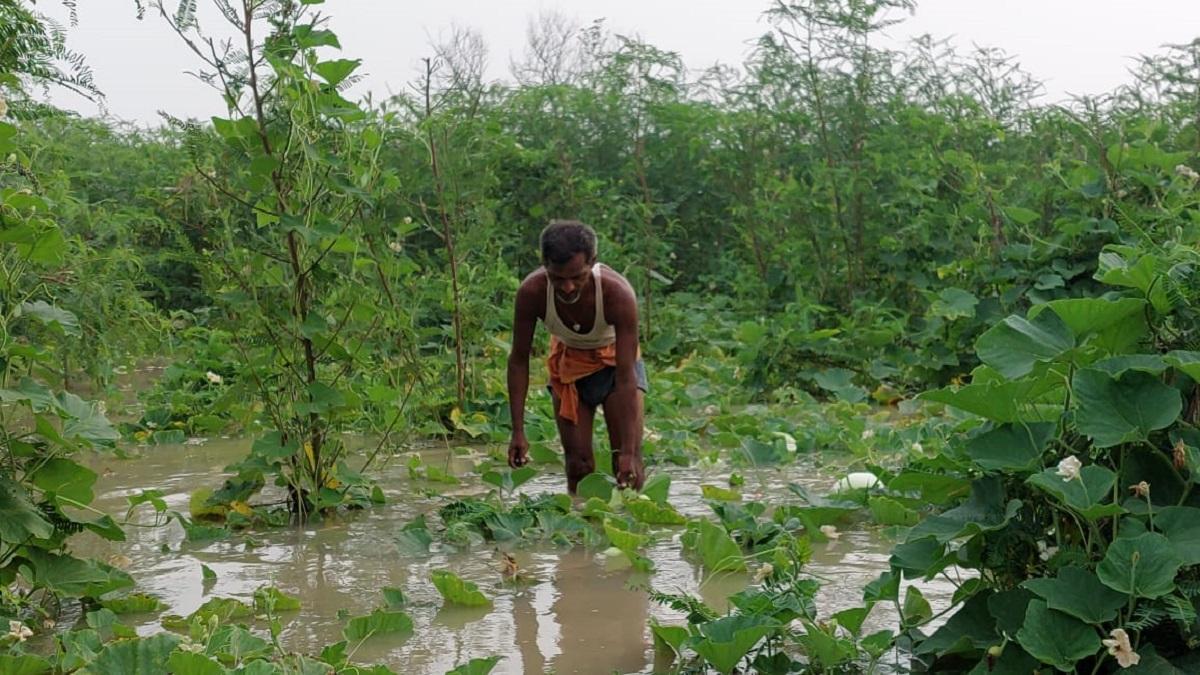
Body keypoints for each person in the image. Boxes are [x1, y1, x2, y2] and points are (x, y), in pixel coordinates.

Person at [506, 220, 647, 492]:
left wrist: (630, 451)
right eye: (557, 278)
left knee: (626, 465)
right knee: (577, 465)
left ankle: (632, 525)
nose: (568, 287)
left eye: (577, 277)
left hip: (616, 368)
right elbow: (518, 361)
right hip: (568, 367)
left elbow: (627, 374)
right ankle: (582, 530)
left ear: (593, 262)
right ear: (545, 265)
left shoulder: (617, 294)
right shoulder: (532, 293)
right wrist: (518, 430)